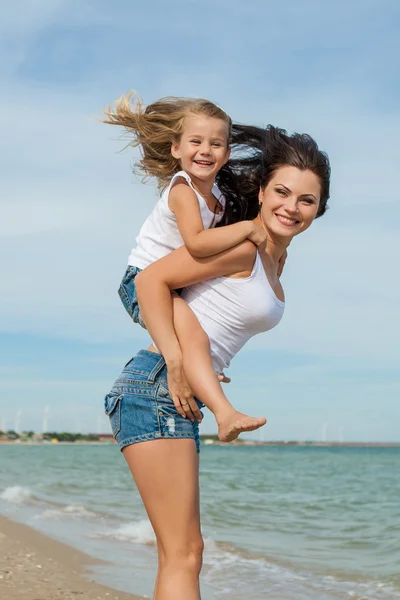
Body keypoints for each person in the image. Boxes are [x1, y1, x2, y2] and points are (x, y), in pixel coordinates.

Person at [104, 124, 331, 600]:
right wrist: (178, 359)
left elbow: (208, 319)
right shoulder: (242, 248)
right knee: (184, 554)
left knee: (186, 553)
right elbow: (148, 282)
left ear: (318, 211)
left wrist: (199, 358)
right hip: (156, 386)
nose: (292, 207)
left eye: (306, 200)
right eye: (282, 193)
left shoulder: (273, 260)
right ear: (263, 192)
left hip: (173, 392)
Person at [104, 92, 270, 441]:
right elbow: (195, 242)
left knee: (199, 341)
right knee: (191, 339)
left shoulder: (219, 198)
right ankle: (225, 415)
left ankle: (207, 386)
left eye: (216, 143)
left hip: (172, 285)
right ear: (176, 149)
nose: (205, 150)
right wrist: (248, 228)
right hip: (140, 281)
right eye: (196, 141)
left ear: (226, 154)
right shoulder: (183, 189)